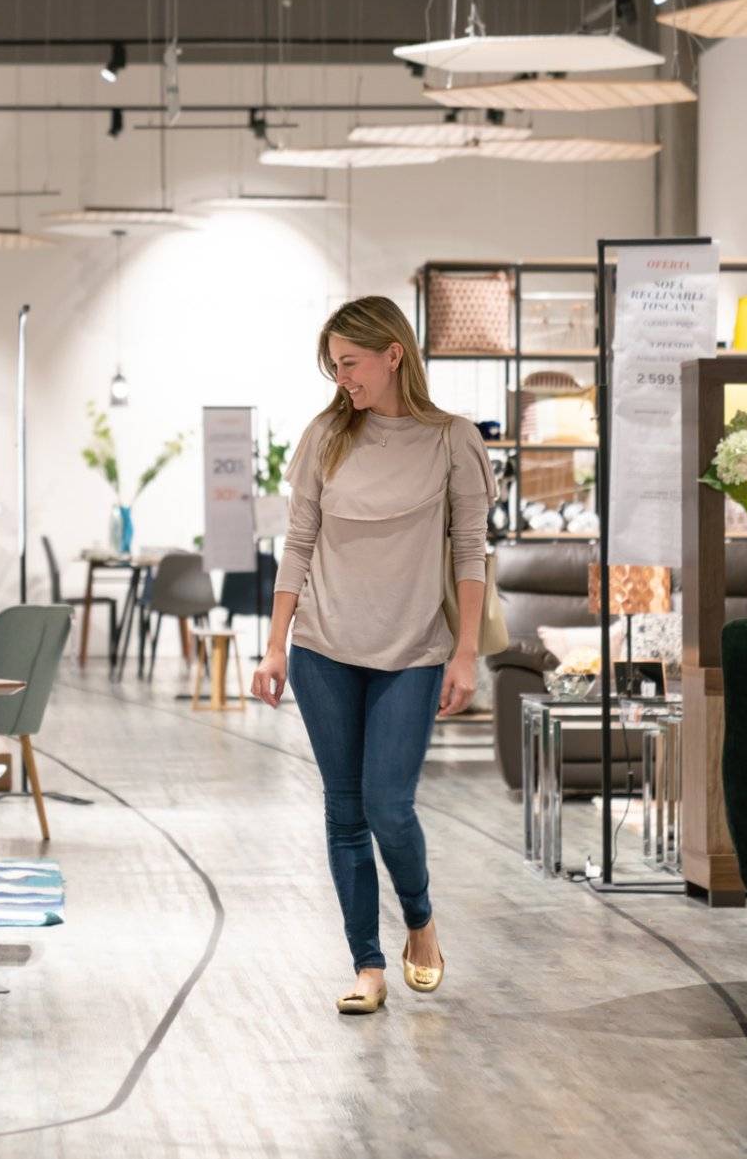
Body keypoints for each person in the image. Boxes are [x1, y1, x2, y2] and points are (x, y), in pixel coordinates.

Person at [250, 295, 493, 1016]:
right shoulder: (326, 435)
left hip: (413, 649)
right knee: (345, 811)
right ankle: (367, 964)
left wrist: (467, 652)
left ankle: (419, 919)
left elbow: (471, 552)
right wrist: (273, 647)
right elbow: (296, 546)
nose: (341, 377)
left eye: (349, 362)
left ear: (394, 352)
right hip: (324, 647)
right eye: (333, 366)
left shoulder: (452, 439)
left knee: (390, 804)